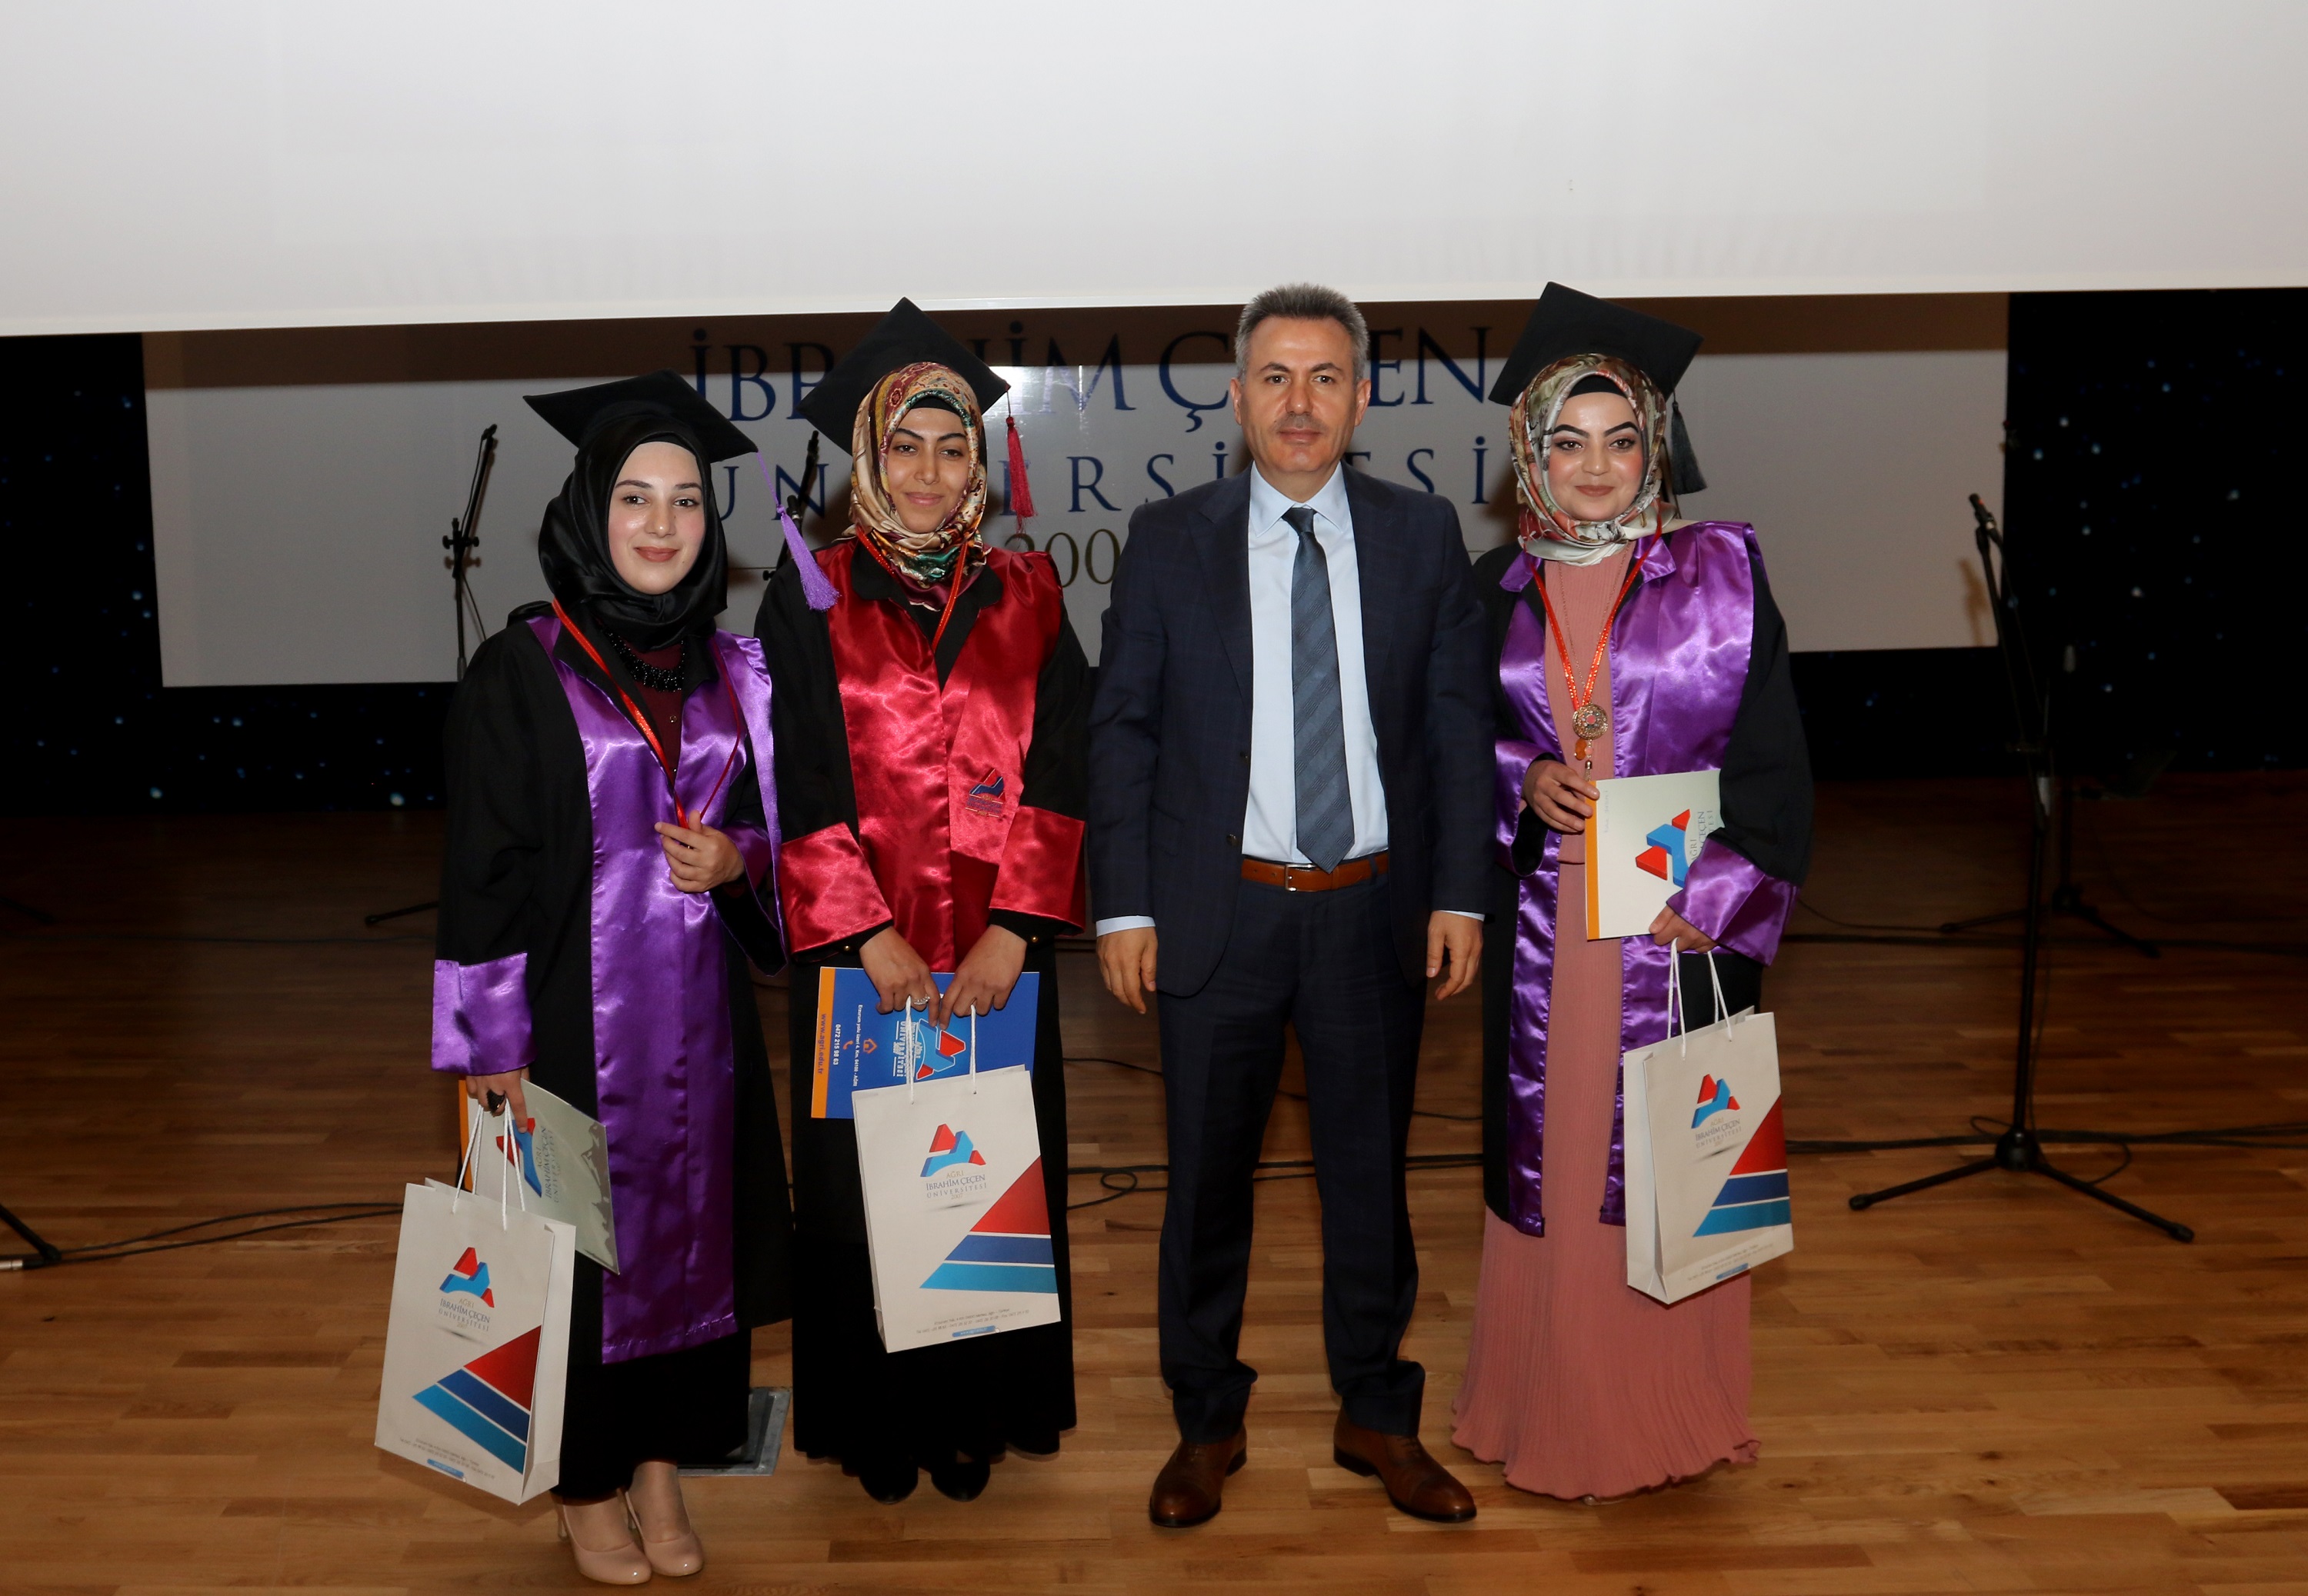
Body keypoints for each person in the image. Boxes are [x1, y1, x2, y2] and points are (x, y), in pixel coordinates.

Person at [1089, 283, 1492, 1528]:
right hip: (1219, 919)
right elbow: (1124, 732)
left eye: (1325, 377)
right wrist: (1124, 908)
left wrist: (1463, 893)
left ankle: (1378, 1414)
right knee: (1206, 1188)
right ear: (1237, 397)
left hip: (1374, 914)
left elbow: (1457, 729)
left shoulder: (1424, 535)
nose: (1300, 402)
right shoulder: (1170, 539)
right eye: (1275, 377)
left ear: (1362, 399)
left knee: (1370, 1185)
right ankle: (1206, 1423)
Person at [1451, 283, 1813, 1500]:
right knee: (1555, 1170)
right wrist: (1524, 775)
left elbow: (1776, 766)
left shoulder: (1724, 574)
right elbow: (1447, 745)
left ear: (1655, 446)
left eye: (1619, 440)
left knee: (1672, 1166)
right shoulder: (1494, 591)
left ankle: (1670, 1417)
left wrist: (1709, 901)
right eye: (1568, 441)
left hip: (1675, 932)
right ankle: (1545, 1409)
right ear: (1531, 455)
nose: (1596, 467)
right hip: (1547, 929)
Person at [432, 372, 792, 1583]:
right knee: (578, 1261)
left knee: (696, 1252)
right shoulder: (522, 669)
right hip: (566, 1026)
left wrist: (738, 860)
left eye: (686, 500)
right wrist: (487, 1059)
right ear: (590, 509)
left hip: (706, 1032)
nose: (661, 522)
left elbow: (783, 843)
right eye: (634, 496)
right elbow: (479, 877)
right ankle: (587, 1483)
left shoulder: (738, 672)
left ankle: (660, 1464)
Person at [755, 299, 1089, 1506]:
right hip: (862, 958)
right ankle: (881, 1425)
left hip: (999, 957)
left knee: (981, 1175)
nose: (932, 473)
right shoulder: (810, 592)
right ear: (869, 457)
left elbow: (1067, 763)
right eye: (906, 448)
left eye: (954, 449)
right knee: (864, 1193)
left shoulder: (1029, 590)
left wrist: (1015, 930)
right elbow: (795, 773)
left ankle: (971, 1419)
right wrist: (866, 933)